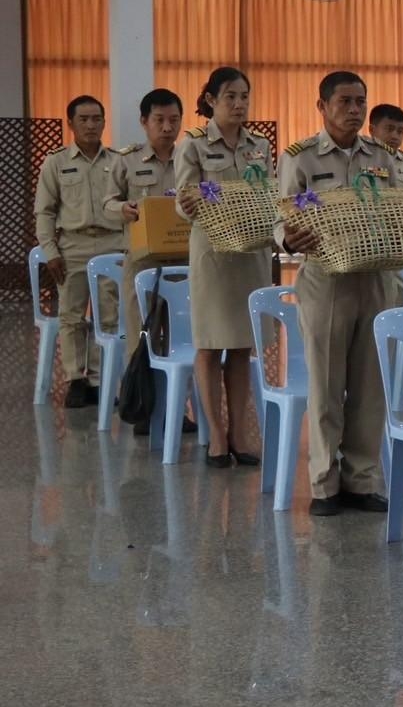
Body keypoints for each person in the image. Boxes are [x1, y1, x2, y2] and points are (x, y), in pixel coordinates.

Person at [279, 72, 398, 516]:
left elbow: (400, 204)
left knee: (370, 386)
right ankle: (325, 483)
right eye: (345, 101)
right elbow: (282, 213)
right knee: (327, 384)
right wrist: (288, 239)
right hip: (325, 279)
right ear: (323, 106)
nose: (355, 109)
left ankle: (362, 479)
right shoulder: (301, 158)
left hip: (375, 277)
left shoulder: (382, 156)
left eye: (360, 101)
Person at [174, 68, 272, 468]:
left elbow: (269, 189)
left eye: (244, 96)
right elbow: (182, 199)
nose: (239, 104)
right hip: (213, 254)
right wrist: (193, 202)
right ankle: (215, 431)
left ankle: (239, 433)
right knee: (210, 344)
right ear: (211, 100)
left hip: (250, 253)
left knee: (241, 345)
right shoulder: (194, 145)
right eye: (230, 96)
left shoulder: (259, 144)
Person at [105, 89, 198, 436]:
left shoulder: (190, 157)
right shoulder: (126, 160)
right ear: (144, 122)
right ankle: (143, 408)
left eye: (174, 119)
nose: (167, 127)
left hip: (184, 262)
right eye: (159, 120)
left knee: (179, 338)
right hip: (142, 264)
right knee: (142, 337)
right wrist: (123, 209)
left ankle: (178, 409)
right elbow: (107, 202)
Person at [34, 95, 123, 408]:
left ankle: (100, 379)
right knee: (71, 316)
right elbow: (44, 212)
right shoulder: (56, 162)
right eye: (83, 119)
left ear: (103, 122)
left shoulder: (118, 161)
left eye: (97, 118)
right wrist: (51, 252)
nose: (91, 125)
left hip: (113, 244)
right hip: (72, 246)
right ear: (70, 123)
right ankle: (76, 379)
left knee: (108, 315)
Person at [371, 103, 403, 184]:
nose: (395, 136)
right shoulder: (362, 158)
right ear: (372, 130)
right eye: (389, 129)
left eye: (400, 131)